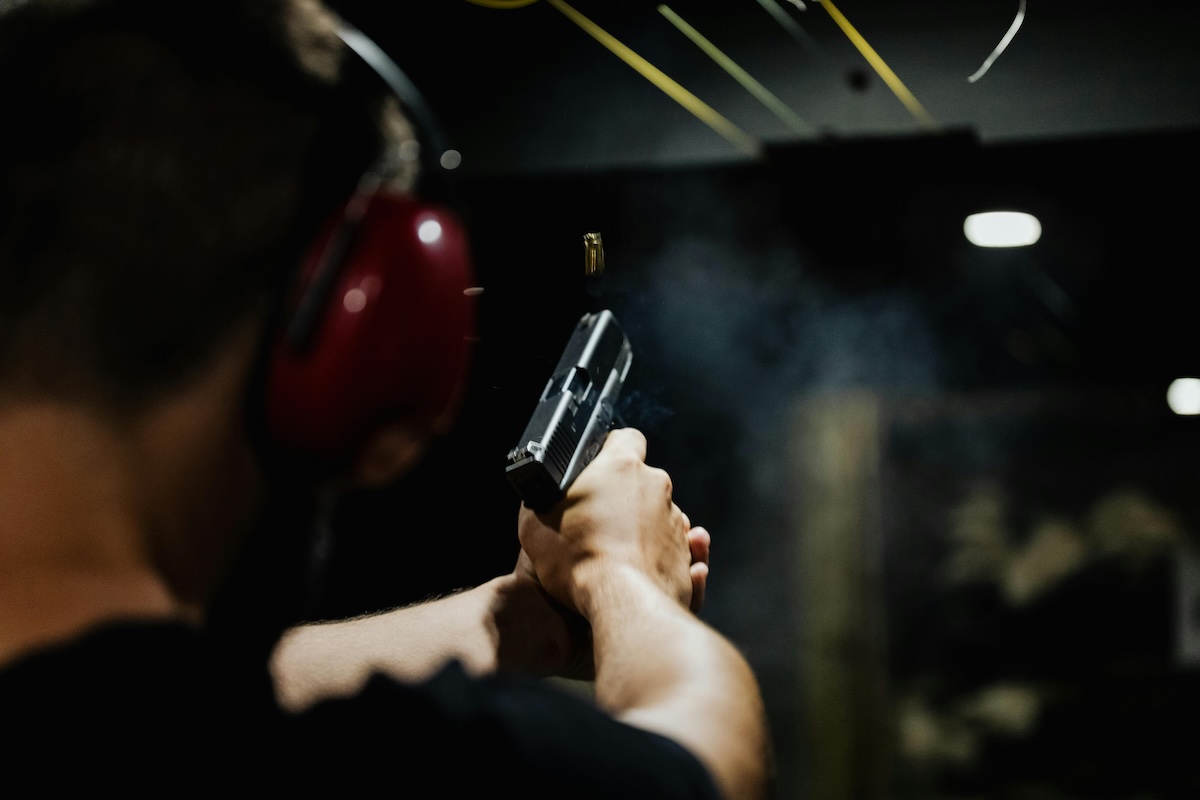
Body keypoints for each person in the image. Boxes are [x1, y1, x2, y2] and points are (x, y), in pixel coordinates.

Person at [0, 0, 773, 796]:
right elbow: (710, 764)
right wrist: (623, 577)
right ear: (348, 346)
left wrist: (521, 620)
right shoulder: (365, 764)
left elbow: (185, 688)